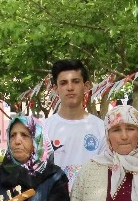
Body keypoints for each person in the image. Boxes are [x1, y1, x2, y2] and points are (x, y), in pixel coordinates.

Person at [42, 59, 106, 189]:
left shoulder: (101, 128)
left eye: (75, 82)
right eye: (63, 83)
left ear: (86, 86)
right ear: (55, 89)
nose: (70, 88)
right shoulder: (43, 129)